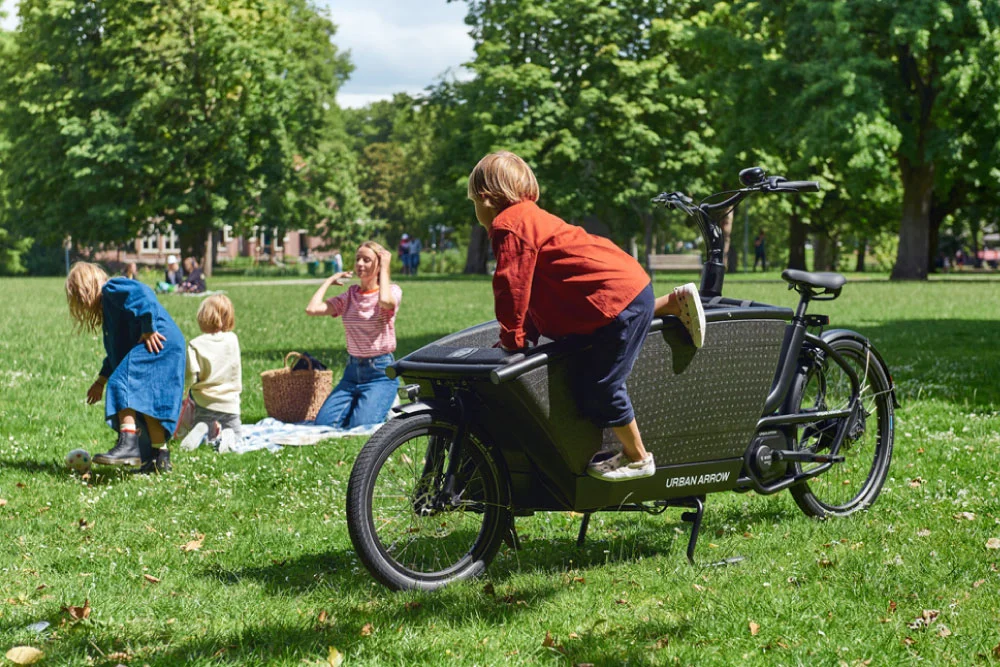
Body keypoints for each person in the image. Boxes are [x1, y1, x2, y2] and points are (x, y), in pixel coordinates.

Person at [468, 151, 705, 482]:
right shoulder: (531, 217)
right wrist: (530, 332)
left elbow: (512, 287)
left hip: (617, 295)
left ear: (485, 197)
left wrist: (513, 340)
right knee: (600, 333)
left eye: (473, 203)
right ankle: (671, 303)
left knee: (603, 385)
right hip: (625, 286)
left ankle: (638, 457)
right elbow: (541, 288)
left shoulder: (508, 226)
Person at [66, 262, 184, 473]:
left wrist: (148, 328)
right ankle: (160, 458)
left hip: (158, 338)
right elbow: (116, 355)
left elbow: (144, 294)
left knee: (122, 382)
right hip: (167, 343)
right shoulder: (111, 315)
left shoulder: (112, 288)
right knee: (146, 405)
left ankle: (128, 444)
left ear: (87, 286)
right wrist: (100, 381)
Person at [305, 242, 401, 428]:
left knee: (360, 427)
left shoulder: (392, 291)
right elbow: (312, 309)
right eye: (358, 259)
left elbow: (385, 301)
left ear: (379, 264)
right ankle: (366, 404)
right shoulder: (350, 295)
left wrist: (386, 266)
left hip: (380, 372)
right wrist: (329, 281)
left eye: (367, 260)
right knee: (323, 425)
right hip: (352, 372)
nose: (360, 264)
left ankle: (389, 401)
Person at [180, 295, 243, 452]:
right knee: (236, 432)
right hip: (230, 401)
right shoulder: (232, 340)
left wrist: (187, 389)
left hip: (204, 400)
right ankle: (230, 435)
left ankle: (201, 428)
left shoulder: (195, 344)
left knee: (203, 420)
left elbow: (191, 374)